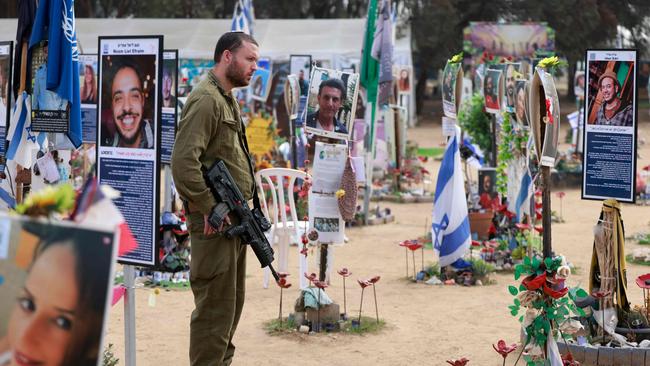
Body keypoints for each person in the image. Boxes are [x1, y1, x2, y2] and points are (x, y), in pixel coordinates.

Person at [170, 31, 259, 366]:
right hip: (215, 223)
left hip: (233, 221)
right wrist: (211, 208)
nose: (254, 67)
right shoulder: (206, 99)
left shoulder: (226, 96)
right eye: (249, 59)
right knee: (214, 314)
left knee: (230, 308)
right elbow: (183, 163)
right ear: (227, 57)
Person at [0, 224, 113, 366]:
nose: (24, 337)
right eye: (28, 304)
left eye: (62, 322)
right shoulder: (8, 349)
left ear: (94, 344)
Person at [105, 62, 154, 148]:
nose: (127, 107)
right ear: (112, 106)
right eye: (119, 98)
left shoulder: (160, 143)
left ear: (142, 101)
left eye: (134, 96)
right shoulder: (105, 149)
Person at [33, 43, 67, 112]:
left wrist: (61, 111)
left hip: (56, 114)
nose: (47, 54)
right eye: (45, 52)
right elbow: (36, 94)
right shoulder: (39, 72)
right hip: (42, 114)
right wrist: (34, 112)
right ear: (43, 54)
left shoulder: (60, 71)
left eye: (50, 52)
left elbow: (65, 94)